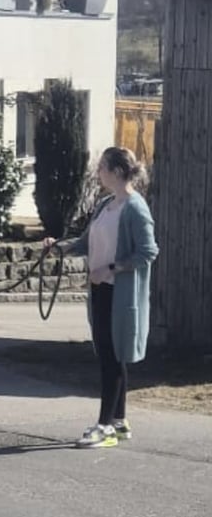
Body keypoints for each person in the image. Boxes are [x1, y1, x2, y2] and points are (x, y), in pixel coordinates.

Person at [44, 147, 159, 448]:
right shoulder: (106, 205)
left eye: (103, 168)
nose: (98, 173)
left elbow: (148, 252)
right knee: (110, 355)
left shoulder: (135, 208)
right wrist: (59, 247)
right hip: (100, 291)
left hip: (119, 294)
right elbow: (86, 242)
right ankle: (119, 421)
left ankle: (104, 427)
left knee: (112, 358)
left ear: (117, 172)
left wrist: (111, 268)